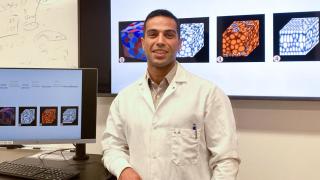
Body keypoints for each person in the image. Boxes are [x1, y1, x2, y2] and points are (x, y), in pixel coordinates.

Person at [102, 9, 240, 180]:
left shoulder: (209, 94)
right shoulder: (124, 99)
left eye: (168, 35)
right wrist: (123, 169)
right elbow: (112, 146)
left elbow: (226, 160)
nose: (160, 41)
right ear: (143, 42)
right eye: (153, 34)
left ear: (179, 43)